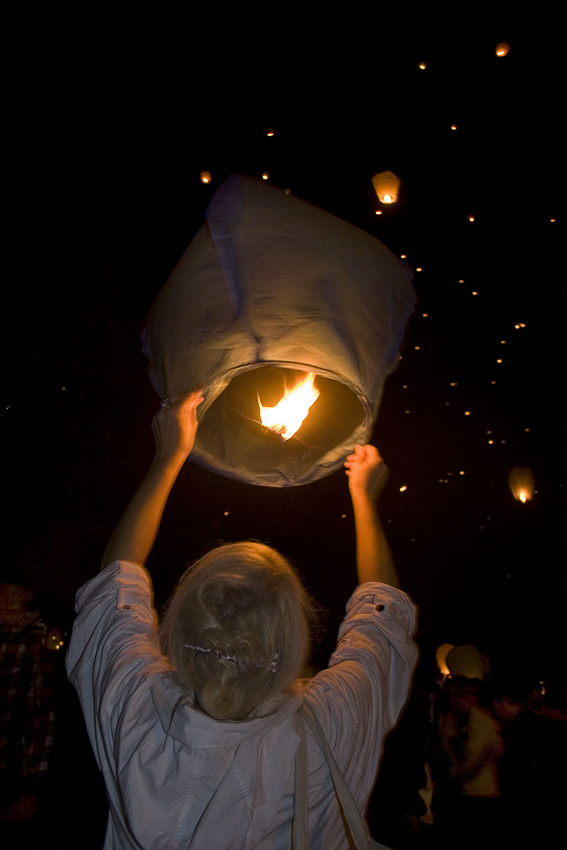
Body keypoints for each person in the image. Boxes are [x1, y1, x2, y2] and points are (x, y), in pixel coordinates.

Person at [66, 390, 418, 849]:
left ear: (181, 620)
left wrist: (168, 457)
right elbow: (381, 618)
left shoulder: (134, 704)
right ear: (293, 636)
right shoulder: (332, 720)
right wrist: (365, 499)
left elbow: (115, 585)